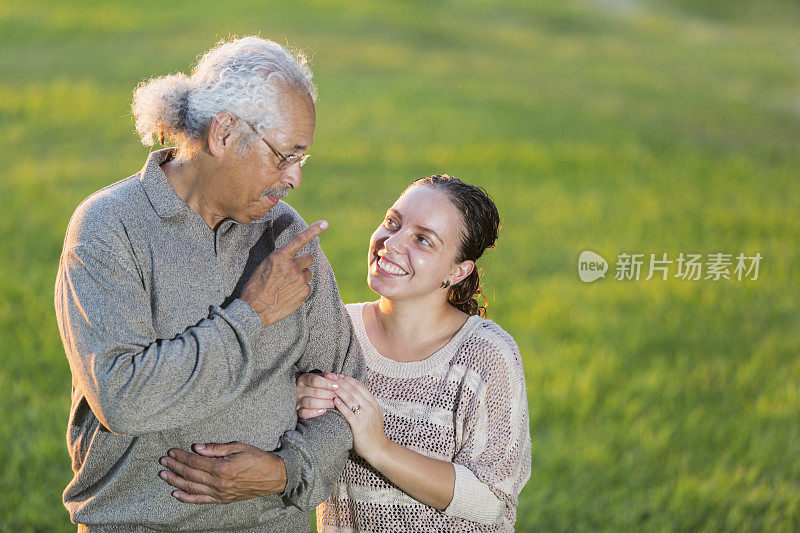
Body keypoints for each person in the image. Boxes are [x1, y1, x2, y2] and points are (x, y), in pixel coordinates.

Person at [54, 36, 363, 532]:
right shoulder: (110, 226)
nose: (296, 179)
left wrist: (287, 470)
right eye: (284, 157)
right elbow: (123, 398)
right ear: (222, 134)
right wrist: (251, 315)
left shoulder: (284, 231)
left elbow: (350, 387)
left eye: (303, 159)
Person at [164, 175, 532, 531]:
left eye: (423, 240)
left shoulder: (487, 355)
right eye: (393, 222)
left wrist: (379, 447)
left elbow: (492, 499)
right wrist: (291, 395)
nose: (392, 242)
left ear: (457, 270)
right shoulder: (337, 328)